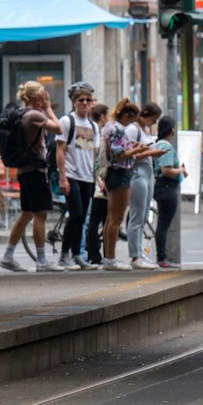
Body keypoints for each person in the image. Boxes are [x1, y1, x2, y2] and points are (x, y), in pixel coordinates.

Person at [0, 80, 59, 272]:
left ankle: (8, 256)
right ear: (35, 97)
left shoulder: (20, 113)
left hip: (24, 171)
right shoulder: (34, 115)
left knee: (27, 213)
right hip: (35, 171)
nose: (45, 97)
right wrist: (49, 108)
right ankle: (41, 260)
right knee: (40, 214)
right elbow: (59, 129)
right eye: (43, 94)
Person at [53, 82, 100, 270]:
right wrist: (63, 177)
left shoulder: (93, 126)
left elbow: (94, 153)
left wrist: (97, 177)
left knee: (81, 219)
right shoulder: (66, 121)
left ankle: (77, 255)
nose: (85, 103)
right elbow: (60, 150)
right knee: (76, 215)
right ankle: (65, 255)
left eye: (88, 100)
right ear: (74, 102)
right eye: (81, 100)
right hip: (71, 174)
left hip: (87, 176)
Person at [98, 100, 147, 269]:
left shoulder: (109, 126)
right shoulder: (118, 128)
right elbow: (120, 154)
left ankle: (108, 258)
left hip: (112, 174)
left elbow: (116, 148)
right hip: (120, 173)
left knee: (110, 219)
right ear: (126, 116)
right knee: (116, 219)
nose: (131, 123)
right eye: (131, 120)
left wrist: (131, 146)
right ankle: (111, 259)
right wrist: (137, 150)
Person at [121, 102, 167, 268]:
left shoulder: (145, 130)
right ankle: (135, 256)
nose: (154, 123)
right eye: (153, 119)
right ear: (145, 115)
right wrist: (152, 152)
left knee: (143, 215)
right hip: (137, 173)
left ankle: (139, 253)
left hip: (147, 173)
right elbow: (128, 154)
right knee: (137, 216)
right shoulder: (133, 129)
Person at [80, 102, 112, 270]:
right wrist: (99, 179)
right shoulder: (97, 133)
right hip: (98, 182)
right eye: (108, 116)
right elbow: (92, 158)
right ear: (102, 117)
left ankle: (98, 254)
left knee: (98, 220)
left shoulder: (95, 131)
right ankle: (95, 254)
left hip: (95, 179)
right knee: (96, 221)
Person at [152, 114, 187, 251]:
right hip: (167, 187)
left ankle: (162, 255)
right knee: (163, 224)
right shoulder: (165, 147)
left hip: (162, 187)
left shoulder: (159, 144)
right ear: (172, 130)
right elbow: (166, 170)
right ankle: (162, 256)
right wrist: (180, 170)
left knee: (163, 223)